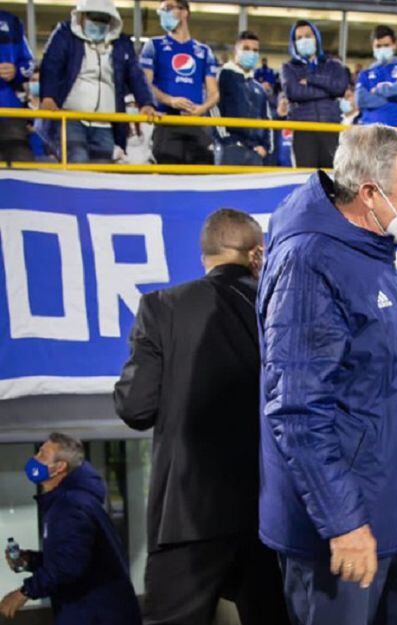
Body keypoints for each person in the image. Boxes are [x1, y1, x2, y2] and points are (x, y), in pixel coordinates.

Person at [259, 124, 397, 625]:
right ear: (370, 193)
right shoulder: (312, 261)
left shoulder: (368, 251)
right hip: (345, 530)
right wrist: (344, 522)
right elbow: (297, 409)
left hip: (388, 515)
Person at [113, 209, 289, 625]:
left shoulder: (162, 307)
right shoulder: (279, 312)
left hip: (187, 514)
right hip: (270, 510)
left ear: (204, 254)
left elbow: (135, 408)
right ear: (257, 255)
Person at [0, 433, 140, 625]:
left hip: (96, 615)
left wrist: (25, 592)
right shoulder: (70, 500)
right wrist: (30, 560)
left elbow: (68, 565)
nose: (34, 459)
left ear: (59, 467)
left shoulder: (69, 505)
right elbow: (74, 558)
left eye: (42, 455)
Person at [38, 0, 154, 164]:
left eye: (103, 19)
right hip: (70, 117)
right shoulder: (65, 35)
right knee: (77, 160)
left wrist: (146, 102)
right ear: (82, 17)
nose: (98, 23)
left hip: (105, 123)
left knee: (103, 172)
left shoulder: (121, 44)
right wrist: (48, 97)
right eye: (94, 18)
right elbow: (51, 65)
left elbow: (136, 75)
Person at [140, 0, 218, 164]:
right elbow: (144, 83)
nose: (163, 14)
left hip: (196, 123)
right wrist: (170, 100)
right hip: (167, 123)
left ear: (184, 12)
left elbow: (214, 93)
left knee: (202, 180)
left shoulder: (204, 51)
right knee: (168, 181)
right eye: (161, 11)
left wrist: (202, 108)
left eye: (168, 9)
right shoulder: (153, 45)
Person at [282, 19, 350, 168]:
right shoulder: (289, 67)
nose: (304, 40)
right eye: (299, 38)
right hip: (304, 131)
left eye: (308, 36)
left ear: (317, 38)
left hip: (330, 128)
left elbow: (339, 88)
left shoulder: (333, 65)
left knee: (332, 181)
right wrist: (328, 91)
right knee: (306, 181)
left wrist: (311, 79)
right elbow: (294, 93)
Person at [216, 31, 273, 166]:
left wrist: (265, 146)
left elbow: (267, 118)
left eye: (255, 50)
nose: (251, 53)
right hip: (230, 150)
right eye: (246, 49)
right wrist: (228, 141)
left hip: (256, 152)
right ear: (236, 50)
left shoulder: (259, 88)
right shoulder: (223, 76)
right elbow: (214, 109)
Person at [355, 25, 397, 128]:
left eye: (386, 45)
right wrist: (392, 100)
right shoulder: (365, 73)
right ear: (373, 46)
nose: (382, 49)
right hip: (369, 130)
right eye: (378, 46)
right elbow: (361, 99)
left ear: (395, 44)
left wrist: (379, 91)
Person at [0, 10, 35, 163]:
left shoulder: (11, 21)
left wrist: (16, 71)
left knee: (23, 167)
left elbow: (28, 63)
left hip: (10, 111)